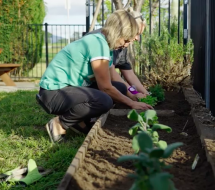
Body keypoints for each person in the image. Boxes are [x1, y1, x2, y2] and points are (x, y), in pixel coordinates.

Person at [37, 10, 153, 143]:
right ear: (119, 32)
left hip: (70, 89)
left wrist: (140, 93)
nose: (131, 41)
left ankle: (79, 121)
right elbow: (107, 86)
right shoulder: (98, 44)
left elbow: (119, 79)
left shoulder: (109, 45)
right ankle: (59, 124)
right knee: (104, 100)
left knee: (119, 88)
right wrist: (132, 101)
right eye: (129, 38)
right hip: (53, 93)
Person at [85, 8, 149, 100]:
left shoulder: (121, 44)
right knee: (118, 89)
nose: (137, 38)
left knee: (120, 88)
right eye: (136, 33)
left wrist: (145, 93)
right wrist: (133, 94)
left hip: (95, 84)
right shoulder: (106, 42)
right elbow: (113, 76)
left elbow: (129, 74)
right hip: (87, 84)